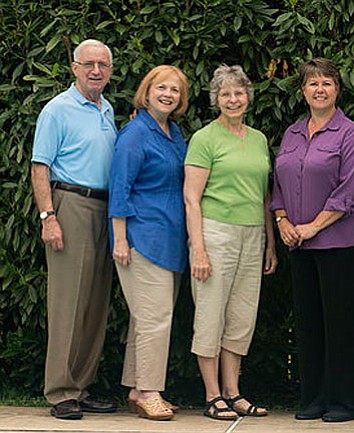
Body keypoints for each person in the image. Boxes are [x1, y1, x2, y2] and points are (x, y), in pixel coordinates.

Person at [270, 58, 354, 423]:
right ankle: (312, 399)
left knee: (340, 325)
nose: (320, 89)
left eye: (327, 83)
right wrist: (281, 219)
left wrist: (313, 226)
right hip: (298, 244)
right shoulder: (293, 133)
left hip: (338, 243)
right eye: (313, 84)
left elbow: (350, 191)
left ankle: (343, 402)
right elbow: (277, 182)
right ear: (303, 91)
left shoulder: (350, 134)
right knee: (309, 323)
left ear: (337, 90)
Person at [30, 39, 118, 420]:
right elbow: (39, 167)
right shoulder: (58, 110)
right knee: (68, 303)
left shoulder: (108, 108)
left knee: (95, 304)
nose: (96, 70)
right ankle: (61, 391)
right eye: (89, 64)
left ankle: (81, 387)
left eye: (103, 64)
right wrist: (49, 217)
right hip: (70, 205)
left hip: (105, 209)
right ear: (74, 67)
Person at [184, 64, 277, 421]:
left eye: (238, 93)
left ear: (247, 97)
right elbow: (191, 198)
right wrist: (200, 248)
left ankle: (233, 392)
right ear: (216, 99)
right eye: (226, 94)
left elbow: (264, 197)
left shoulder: (258, 139)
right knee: (210, 314)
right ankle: (212, 395)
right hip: (215, 233)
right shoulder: (204, 139)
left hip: (252, 234)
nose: (233, 99)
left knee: (241, 316)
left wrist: (269, 243)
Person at [108, 65, 189, 421]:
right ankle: (151, 392)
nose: (168, 94)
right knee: (155, 318)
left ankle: (137, 388)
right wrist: (120, 238)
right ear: (147, 90)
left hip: (170, 238)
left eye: (175, 90)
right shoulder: (135, 133)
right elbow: (120, 186)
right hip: (141, 236)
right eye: (161, 87)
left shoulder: (174, 132)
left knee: (147, 318)